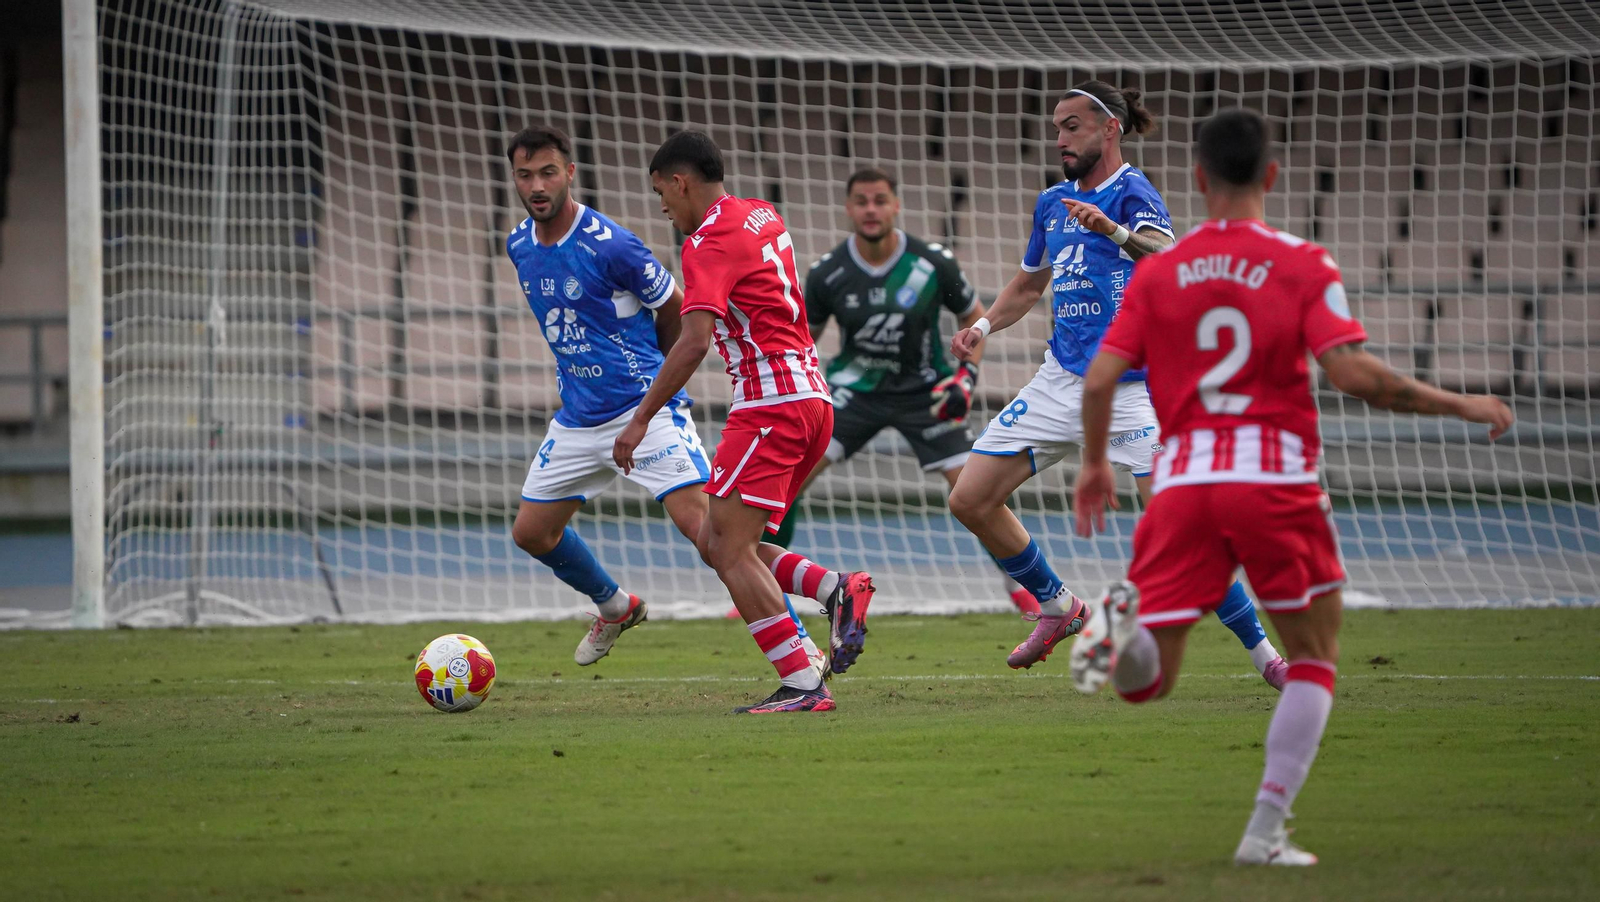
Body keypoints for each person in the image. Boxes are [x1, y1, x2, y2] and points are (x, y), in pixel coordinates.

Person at [1069, 108, 1514, 865]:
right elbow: (1355, 376)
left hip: (1182, 482)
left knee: (1147, 686)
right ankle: (1263, 832)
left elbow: (1102, 378)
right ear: (1269, 177)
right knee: (1312, 656)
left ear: (1201, 180)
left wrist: (1095, 464)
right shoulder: (1303, 262)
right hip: (1273, 478)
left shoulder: (1161, 270)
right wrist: (1460, 403)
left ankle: (1131, 633)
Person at [947, 82, 1287, 683]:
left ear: (1110, 129)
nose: (1060, 140)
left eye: (1072, 126)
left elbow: (1165, 255)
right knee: (969, 498)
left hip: (1132, 388)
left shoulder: (1132, 193)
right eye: (1057, 128)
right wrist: (981, 325)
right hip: (1059, 380)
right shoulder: (1052, 202)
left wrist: (1112, 231)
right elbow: (1028, 286)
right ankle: (1058, 609)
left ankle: (1267, 659)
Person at [503, 124, 823, 669]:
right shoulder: (518, 246)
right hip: (579, 419)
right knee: (531, 532)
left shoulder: (613, 244)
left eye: (548, 172)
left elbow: (675, 309)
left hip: (644, 414)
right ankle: (616, 606)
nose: (537, 184)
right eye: (525, 174)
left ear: (570, 173)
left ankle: (811, 633)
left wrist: (650, 388)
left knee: (714, 539)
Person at [614, 130, 876, 714]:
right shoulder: (760, 213)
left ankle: (805, 685)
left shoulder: (705, 243)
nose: (663, 206)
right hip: (812, 400)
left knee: (728, 551)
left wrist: (639, 420)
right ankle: (833, 590)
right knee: (720, 541)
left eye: (662, 192)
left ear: (681, 182)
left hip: (769, 407)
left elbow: (694, 340)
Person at [775, 168, 1032, 611]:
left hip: (926, 393)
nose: (870, 209)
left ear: (895, 205)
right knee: (787, 481)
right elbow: (803, 343)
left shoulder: (932, 262)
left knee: (978, 493)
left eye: (879, 200)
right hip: (853, 394)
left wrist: (965, 379)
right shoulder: (828, 273)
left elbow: (976, 320)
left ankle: (1024, 589)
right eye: (861, 201)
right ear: (848, 208)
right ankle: (769, 589)